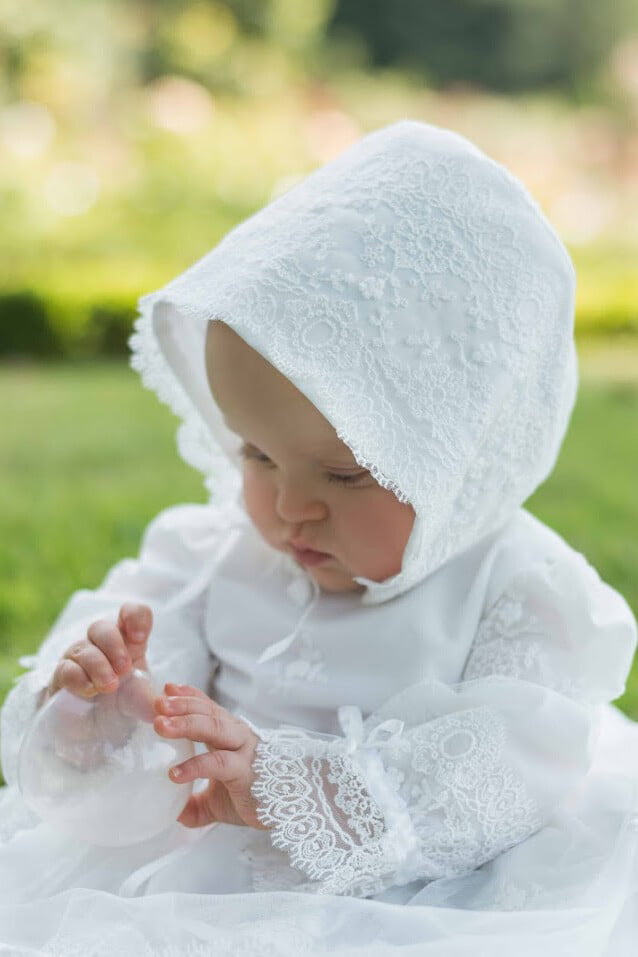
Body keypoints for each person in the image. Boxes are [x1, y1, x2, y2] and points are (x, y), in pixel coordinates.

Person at [0, 119, 637, 956]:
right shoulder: (211, 554)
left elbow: (504, 768)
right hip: (195, 880)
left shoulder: (520, 590)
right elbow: (144, 693)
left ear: (467, 458)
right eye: (256, 454)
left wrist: (292, 788)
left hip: (419, 898)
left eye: (344, 476)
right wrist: (102, 710)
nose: (290, 507)